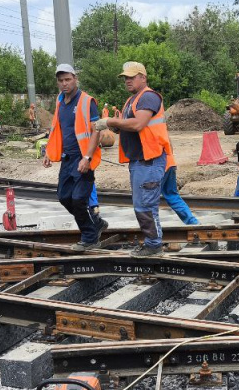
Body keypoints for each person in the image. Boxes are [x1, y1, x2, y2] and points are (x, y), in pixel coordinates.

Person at [97, 61, 172, 257]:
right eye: (125, 78)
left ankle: (154, 245)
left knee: (146, 205)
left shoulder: (148, 97)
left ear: (143, 77)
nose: (127, 81)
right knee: (142, 205)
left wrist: (111, 121)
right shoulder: (132, 100)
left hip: (150, 160)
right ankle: (151, 243)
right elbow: (128, 125)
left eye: (132, 77)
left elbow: (138, 124)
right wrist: (115, 126)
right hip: (140, 161)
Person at [42, 63, 106, 251]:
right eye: (61, 80)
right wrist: (48, 151)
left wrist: (87, 157)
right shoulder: (60, 101)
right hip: (67, 158)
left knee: (79, 199)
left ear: (75, 79)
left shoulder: (87, 101)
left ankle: (90, 237)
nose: (64, 84)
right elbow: (57, 129)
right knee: (64, 197)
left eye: (68, 79)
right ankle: (95, 224)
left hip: (83, 158)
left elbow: (97, 131)